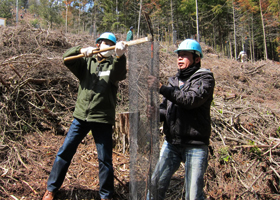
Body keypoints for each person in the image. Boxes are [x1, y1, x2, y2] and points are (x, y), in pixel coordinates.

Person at [42, 32, 128, 200]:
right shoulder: (87, 63)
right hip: (81, 117)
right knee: (65, 152)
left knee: (105, 160)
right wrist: (81, 50)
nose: (107, 45)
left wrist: (119, 56)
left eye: (111, 43)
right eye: (105, 43)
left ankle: (106, 195)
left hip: (102, 119)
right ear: (98, 45)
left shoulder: (113, 64)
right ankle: (51, 188)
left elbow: (119, 75)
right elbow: (66, 58)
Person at [147, 39, 215, 200]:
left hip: (195, 145)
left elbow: (190, 100)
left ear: (196, 59)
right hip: (172, 143)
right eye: (178, 55)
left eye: (184, 55)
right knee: (155, 186)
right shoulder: (174, 81)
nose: (179, 58)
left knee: (193, 195)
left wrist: (162, 89)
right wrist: (157, 113)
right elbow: (167, 109)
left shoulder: (205, 79)